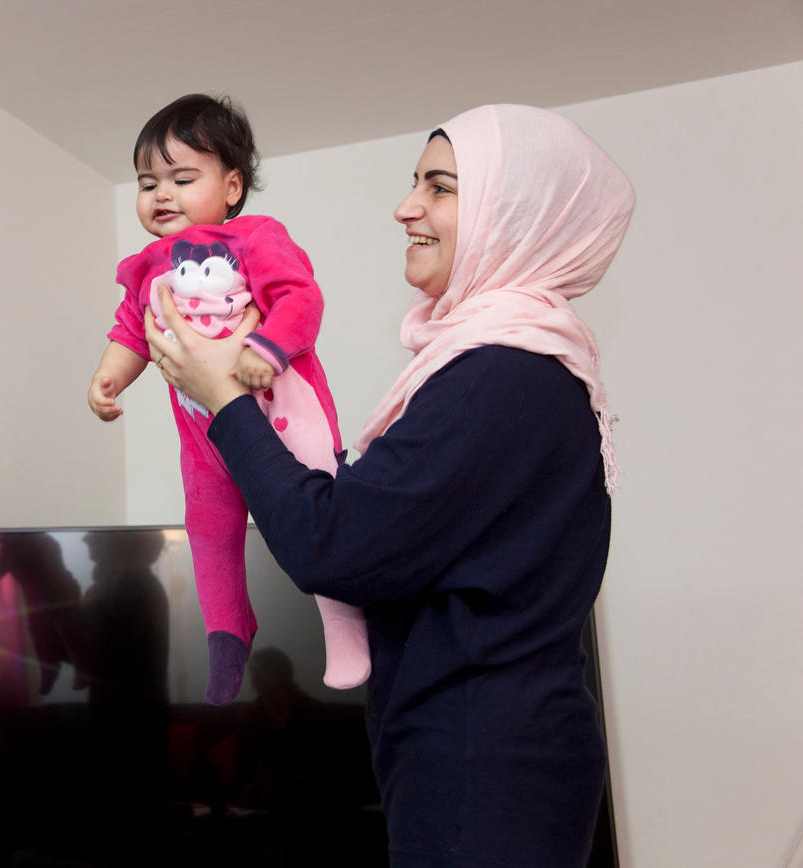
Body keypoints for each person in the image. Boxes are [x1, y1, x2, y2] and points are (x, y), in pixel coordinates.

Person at [146, 104, 634, 865]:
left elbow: (330, 545)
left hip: (482, 761)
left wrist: (227, 404)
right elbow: (388, 528)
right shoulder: (515, 364)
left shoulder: (501, 373)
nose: (406, 206)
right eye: (415, 183)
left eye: (439, 187)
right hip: (490, 752)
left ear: (515, 214)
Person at [88, 93, 369, 706]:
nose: (161, 195)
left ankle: (345, 628)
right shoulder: (142, 268)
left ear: (232, 186)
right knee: (209, 532)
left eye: (182, 178)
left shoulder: (253, 238)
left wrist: (266, 349)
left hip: (285, 410)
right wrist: (108, 379)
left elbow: (302, 301)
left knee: (324, 517)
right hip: (205, 432)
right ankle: (227, 635)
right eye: (146, 183)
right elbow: (130, 332)